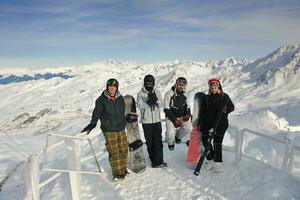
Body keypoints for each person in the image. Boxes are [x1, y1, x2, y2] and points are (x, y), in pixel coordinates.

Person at [81, 78, 128, 182]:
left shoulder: (120, 98)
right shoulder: (101, 100)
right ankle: (118, 174)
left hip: (120, 127)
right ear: (107, 87)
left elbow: (122, 111)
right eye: (110, 86)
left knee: (124, 149)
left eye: (114, 86)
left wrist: (125, 120)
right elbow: (96, 114)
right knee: (114, 151)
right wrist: (92, 124)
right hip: (109, 129)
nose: (112, 88)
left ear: (117, 87)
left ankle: (123, 170)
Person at [198, 78, 234, 173]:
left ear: (218, 86)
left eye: (215, 87)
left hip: (221, 123)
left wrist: (225, 110)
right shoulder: (206, 98)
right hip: (208, 123)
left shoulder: (224, 97)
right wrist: (200, 123)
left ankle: (218, 163)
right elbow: (202, 112)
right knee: (205, 140)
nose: (213, 89)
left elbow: (232, 107)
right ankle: (210, 159)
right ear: (209, 88)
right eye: (211, 87)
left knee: (217, 142)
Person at [137, 74, 167, 168]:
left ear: (153, 83)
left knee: (158, 141)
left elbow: (161, 104)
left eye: (151, 82)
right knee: (150, 142)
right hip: (146, 122)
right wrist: (149, 101)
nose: (149, 84)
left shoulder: (157, 92)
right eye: (148, 82)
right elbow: (140, 106)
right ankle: (153, 159)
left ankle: (158, 161)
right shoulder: (140, 94)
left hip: (157, 121)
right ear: (144, 83)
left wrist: (156, 100)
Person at [164, 77, 192, 151]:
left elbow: (188, 107)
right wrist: (174, 120)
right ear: (176, 84)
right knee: (170, 133)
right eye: (179, 84)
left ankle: (177, 137)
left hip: (181, 116)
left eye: (182, 85)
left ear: (185, 86)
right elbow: (166, 109)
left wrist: (187, 114)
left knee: (188, 128)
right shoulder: (169, 94)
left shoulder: (185, 95)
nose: (180, 86)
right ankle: (170, 142)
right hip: (171, 116)